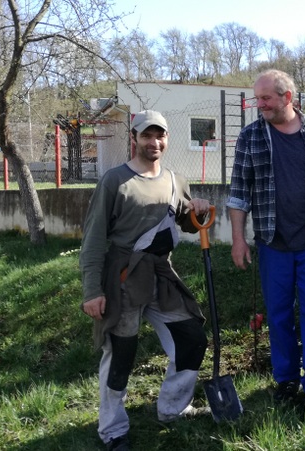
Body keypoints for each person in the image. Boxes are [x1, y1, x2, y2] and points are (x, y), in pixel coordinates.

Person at [79, 110, 213, 451]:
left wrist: (196, 209)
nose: (154, 142)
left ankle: (173, 409)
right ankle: (113, 430)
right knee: (120, 355)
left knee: (191, 338)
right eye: (147, 135)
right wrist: (92, 291)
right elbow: (93, 239)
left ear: (167, 138)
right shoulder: (115, 181)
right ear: (134, 138)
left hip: (161, 275)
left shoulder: (175, 180)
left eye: (160, 135)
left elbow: (186, 222)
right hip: (123, 278)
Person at [227, 69, 305, 420]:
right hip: (273, 243)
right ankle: (286, 379)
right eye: (258, 98)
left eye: (266, 98)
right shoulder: (251, 136)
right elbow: (239, 193)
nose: (260, 104)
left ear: (287, 97)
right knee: (279, 314)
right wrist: (238, 239)